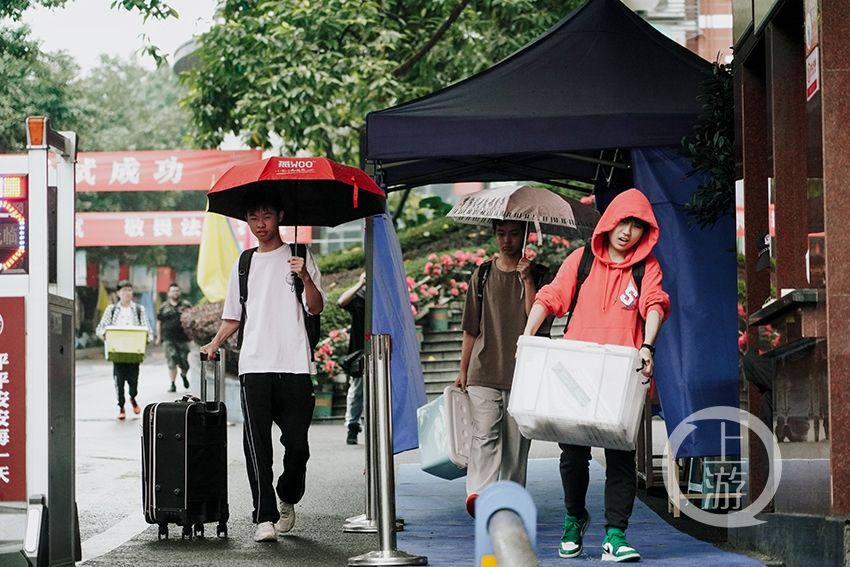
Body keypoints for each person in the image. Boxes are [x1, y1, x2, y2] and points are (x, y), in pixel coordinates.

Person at [523, 188, 670, 563]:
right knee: (573, 455)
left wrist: (647, 345)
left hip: (622, 374)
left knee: (621, 456)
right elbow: (552, 296)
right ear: (609, 221)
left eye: (638, 225)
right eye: (623, 221)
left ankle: (615, 535)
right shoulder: (581, 259)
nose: (628, 231)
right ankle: (574, 519)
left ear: (646, 231)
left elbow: (655, 303)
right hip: (577, 373)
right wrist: (527, 336)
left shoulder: (646, 267)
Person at [199, 190, 325, 543]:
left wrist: (305, 278)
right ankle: (264, 516)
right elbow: (233, 317)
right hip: (254, 364)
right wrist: (215, 342)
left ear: (280, 215)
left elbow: (315, 309)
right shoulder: (244, 263)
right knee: (257, 446)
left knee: (297, 445)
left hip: (295, 364)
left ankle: (288, 495)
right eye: (253, 217)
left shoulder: (300, 255)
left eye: (266, 215)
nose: (259, 223)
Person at [454, 219, 547, 518]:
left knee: (517, 444)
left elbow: (538, 322)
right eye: (501, 234)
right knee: (485, 435)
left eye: (514, 233)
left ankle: (508, 499)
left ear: (526, 235)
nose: (506, 240)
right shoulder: (481, 274)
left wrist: (528, 281)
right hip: (484, 368)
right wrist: (463, 370)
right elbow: (471, 328)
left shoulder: (539, 274)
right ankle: (479, 493)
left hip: (524, 372)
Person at [96, 279, 154, 420]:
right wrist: (104, 336)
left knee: (133, 381)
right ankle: (121, 406)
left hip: (134, 352)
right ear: (118, 293)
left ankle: (133, 397)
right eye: (124, 291)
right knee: (119, 380)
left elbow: (148, 330)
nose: (127, 293)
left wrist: (147, 339)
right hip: (117, 351)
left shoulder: (139, 310)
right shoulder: (112, 309)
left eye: (129, 290)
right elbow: (101, 327)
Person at [337, 272, 366, 445]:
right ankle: (353, 427)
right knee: (357, 391)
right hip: (359, 352)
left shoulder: (383, 299)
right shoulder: (359, 297)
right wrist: (360, 283)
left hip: (383, 349)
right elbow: (341, 301)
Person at [156, 282, 193, 392]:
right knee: (172, 360)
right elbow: (159, 322)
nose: (175, 293)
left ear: (180, 292)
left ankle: (183, 374)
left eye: (177, 290)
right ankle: (173, 384)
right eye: (173, 291)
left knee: (184, 361)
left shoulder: (186, 305)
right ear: (168, 293)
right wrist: (159, 337)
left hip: (183, 338)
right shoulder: (164, 306)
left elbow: (192, 320)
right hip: (168, 338)